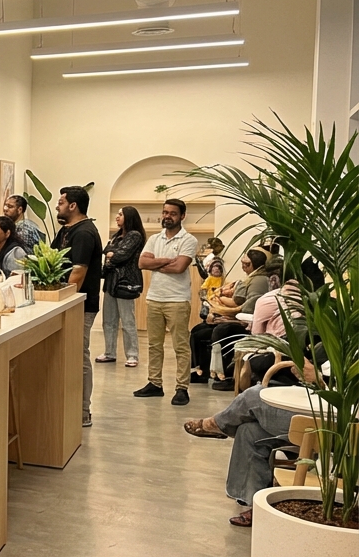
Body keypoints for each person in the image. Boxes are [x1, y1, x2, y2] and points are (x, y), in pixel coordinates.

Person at [181, 354, 322, 526]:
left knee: (254, 396)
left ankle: (216, 424)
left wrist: (319, 379)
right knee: (249, 431)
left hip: (333, 424)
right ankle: (254, 502)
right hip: (313, 406)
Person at [135, 198, 200, 407]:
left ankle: (182, 388)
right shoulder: (155, 238)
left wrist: (155, 263)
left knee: (180, 346)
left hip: (178, 300)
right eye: (165, 212)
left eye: (172, 213)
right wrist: (165, 260)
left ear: (182, 216)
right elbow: (141, 262)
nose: (167, 217)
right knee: (154, 345)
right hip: (154, 298)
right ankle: (155, 383)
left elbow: (179, 267)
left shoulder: (188, 240)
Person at [50, 186, 103, 427]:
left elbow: (78, 273)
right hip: (63, 304)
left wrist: (65, 302)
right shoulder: (66, 230)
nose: (57, 206)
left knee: (79, 355)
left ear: (73, 206)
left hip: (79, 305)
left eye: (61, 202)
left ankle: (83, 410)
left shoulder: (84, 233)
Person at [190, 248, 273, 388]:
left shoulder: (259, 280)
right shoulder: (251, 278)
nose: (243, 266)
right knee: (198, 330)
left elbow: (249, 307)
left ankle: (227, 375)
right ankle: (201, 371)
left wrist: (225, 311)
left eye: (246, 263)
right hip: (237, 316)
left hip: (245, 323)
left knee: (221, 331)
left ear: (252, 264)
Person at [96, 206, 146, 368]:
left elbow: (121, 255)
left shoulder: (135, 235)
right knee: (108, 320)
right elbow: (107, 252)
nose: (117, 217)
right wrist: (112, 254)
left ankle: (132, 355)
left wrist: (113, 254)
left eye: (120, 214)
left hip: (126, 283)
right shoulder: (116, 236)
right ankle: (109, 352)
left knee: (127, 321)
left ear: (129, 217)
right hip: (111, 282)